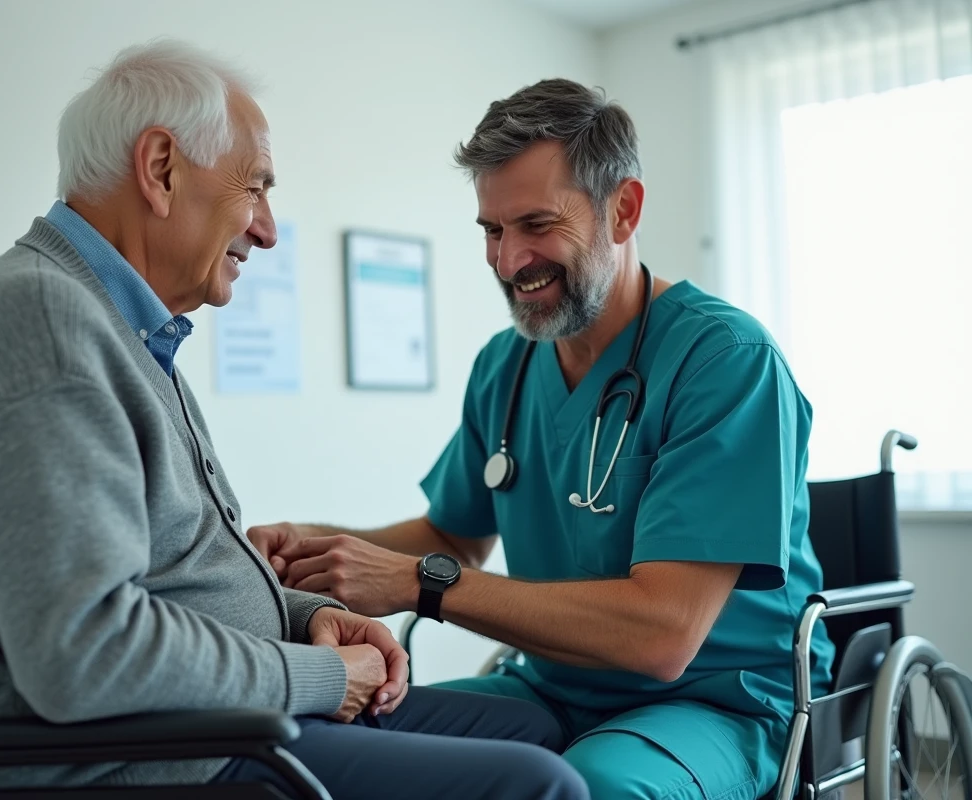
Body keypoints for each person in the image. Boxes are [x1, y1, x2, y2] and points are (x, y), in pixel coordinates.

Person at [0, 42, 588, 800]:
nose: (269, 229)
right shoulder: (46, 323)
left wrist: (309, 616)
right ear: (160, 170)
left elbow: (174, 584)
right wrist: (315, 676)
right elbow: (82, 653)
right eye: (255, 189)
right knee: (538, 785)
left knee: (536, 731)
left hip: (196, 729)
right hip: (131, 762)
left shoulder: (117, 330)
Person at [249, 78, 836, 800]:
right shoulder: (507, 366)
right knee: (330, 739)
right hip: (548, 687)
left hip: (710, 702)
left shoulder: (725, 361)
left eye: (536, 225)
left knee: (597, 788)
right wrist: (310, 548)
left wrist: (417, 585)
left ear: (623, 210)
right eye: (492, 231)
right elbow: (452, 535)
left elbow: (663, 635)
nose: (507, 261)